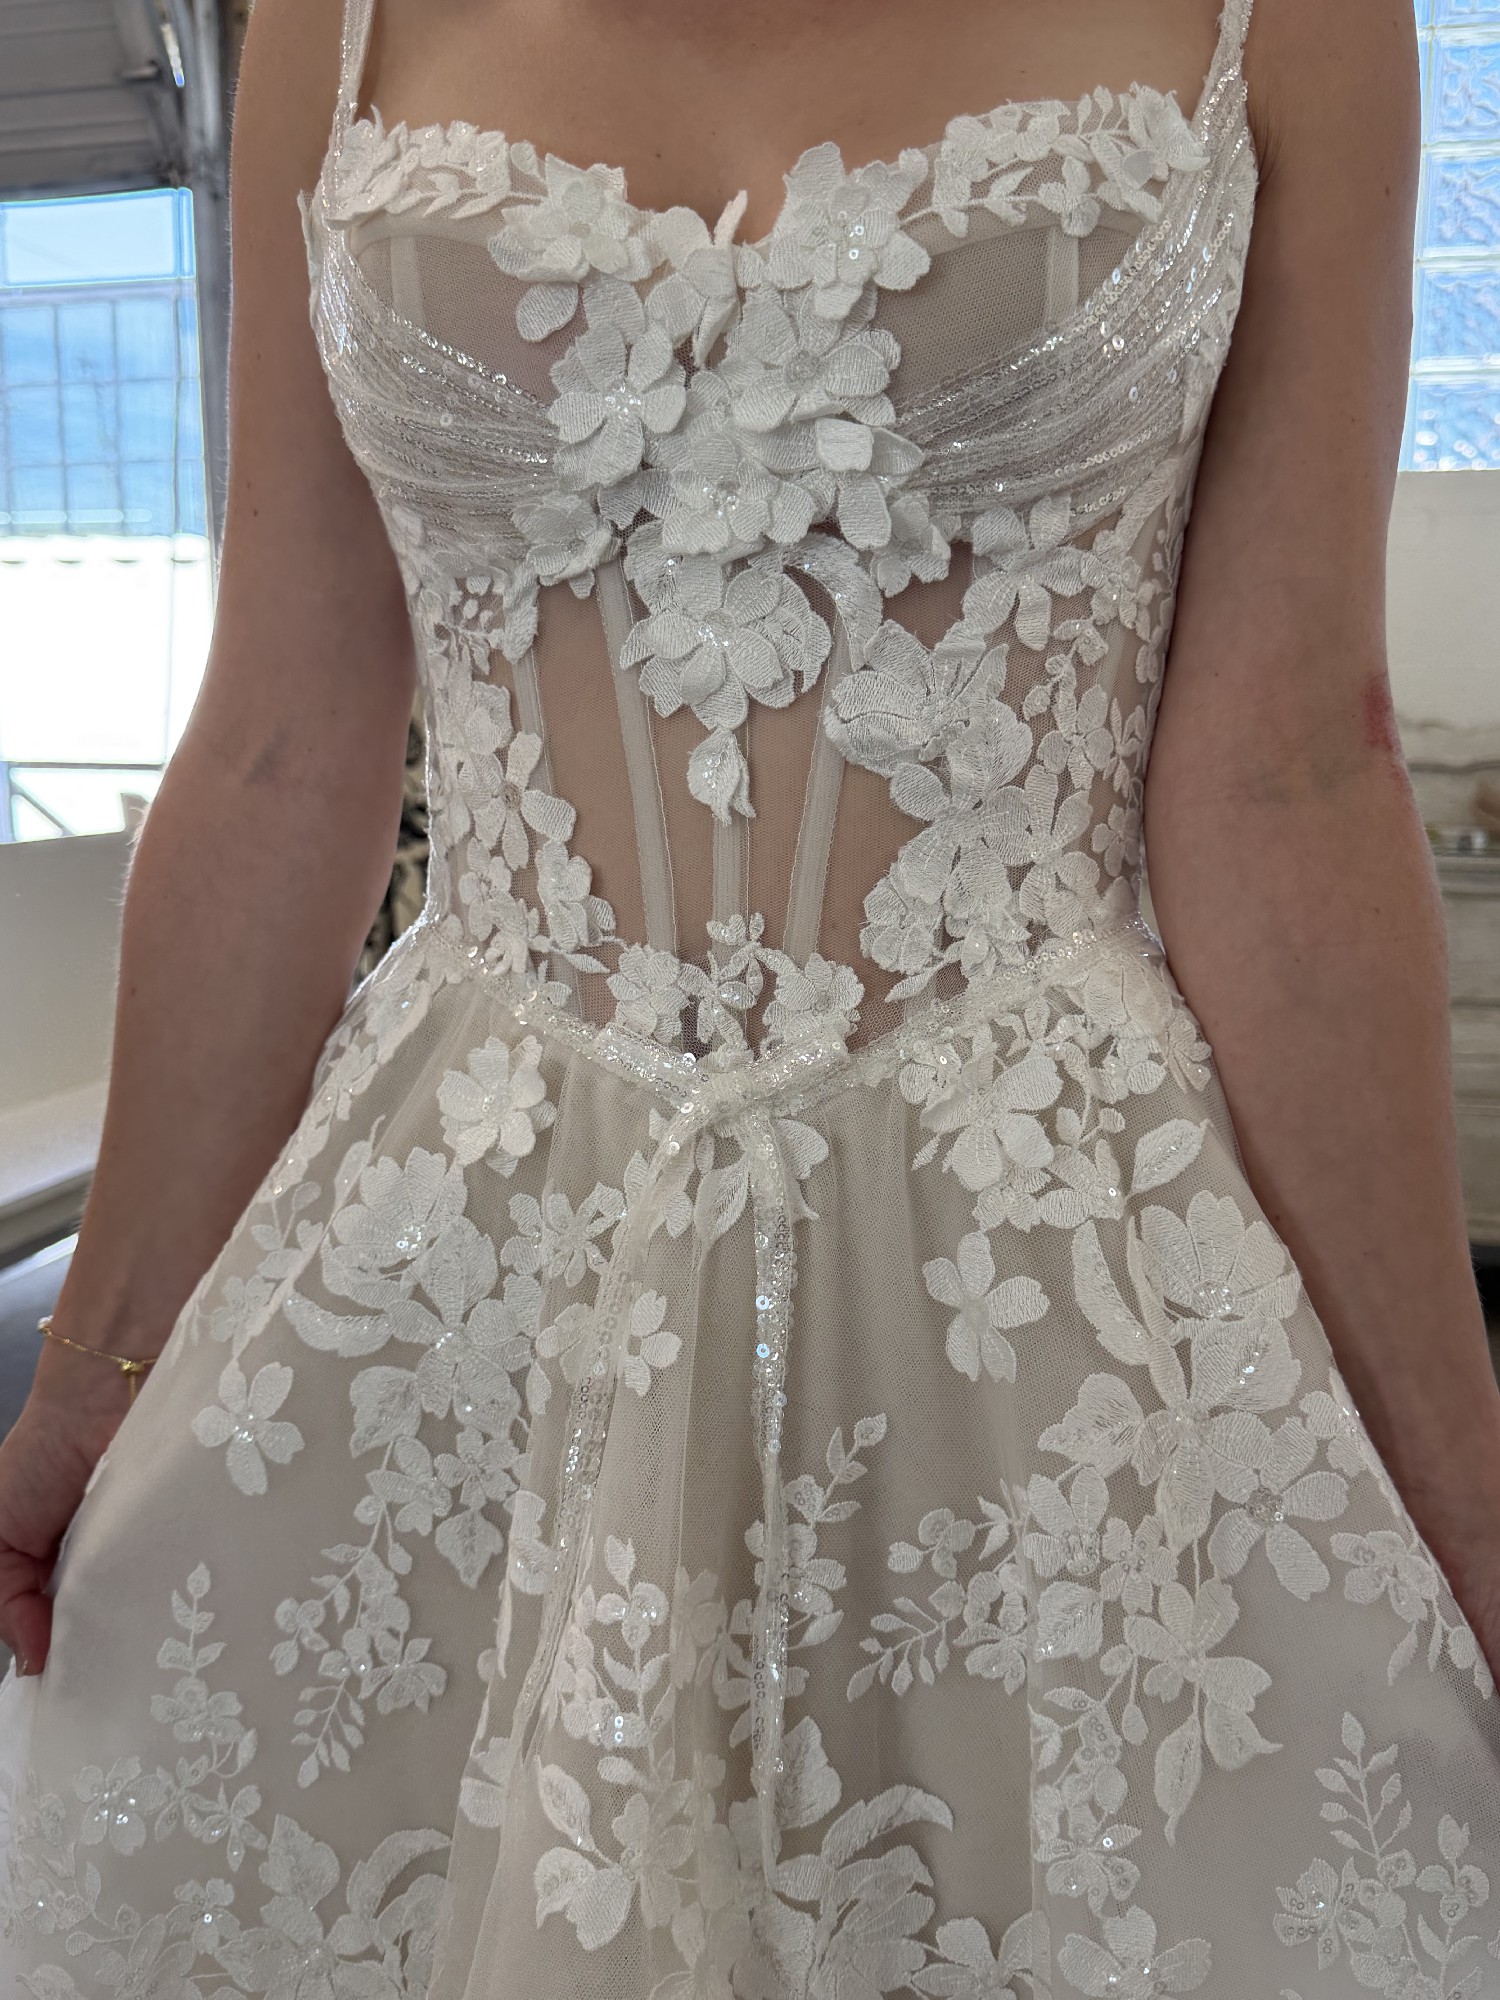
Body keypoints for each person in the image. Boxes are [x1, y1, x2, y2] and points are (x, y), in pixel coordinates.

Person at [1, 0, 1497, 1991]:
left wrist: (1463, 1485)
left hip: (1042, 1275)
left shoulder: (1285, 19)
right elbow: (283, 737)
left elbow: (1289, 769)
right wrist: (91, 1366)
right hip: (461, 1271)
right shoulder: (331, 23)